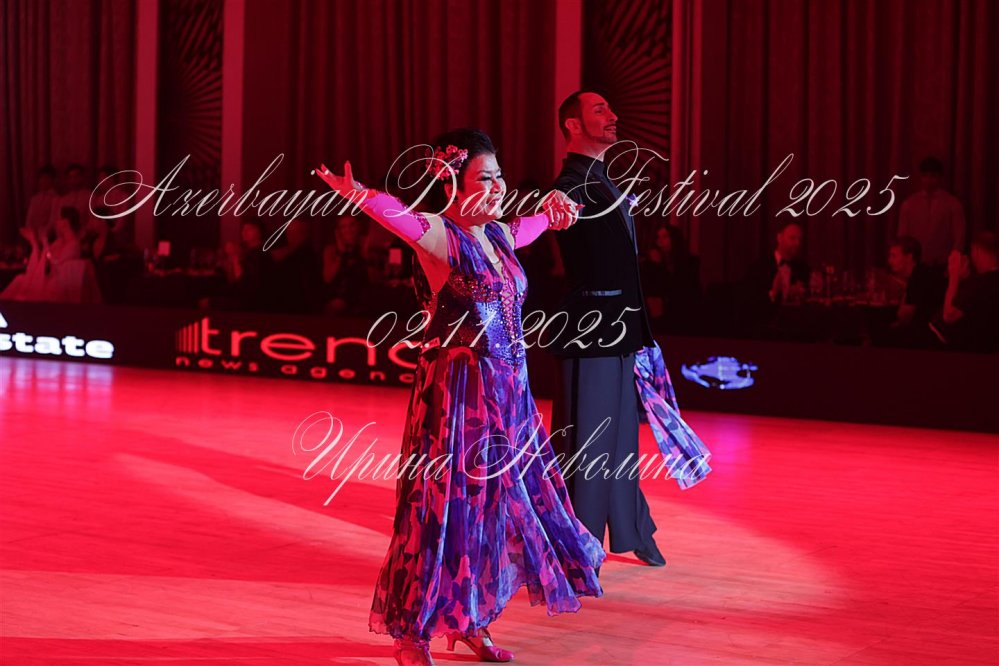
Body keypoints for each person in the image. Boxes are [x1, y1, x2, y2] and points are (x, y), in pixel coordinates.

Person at [315, 128, 603, 666]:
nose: (497, 186)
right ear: (451, 182)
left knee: (494, 512)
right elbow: (397, 217)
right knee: (444, 513)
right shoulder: (441, 238)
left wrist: (556, 209)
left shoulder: (499, 235)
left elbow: (535, 223)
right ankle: (413, 633)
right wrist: (360, 195)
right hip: (457, 397)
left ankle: (471, 619)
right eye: (484, 178)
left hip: (509, 395)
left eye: (499, 176)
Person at [548, 90, 711, 573]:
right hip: (592, 331)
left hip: (621, 331)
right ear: (573, 125)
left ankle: (633, 529)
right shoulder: (569, 187)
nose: (613, 116)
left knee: (619, 443)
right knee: (587, 447)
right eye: (600, 110)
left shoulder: (602, 180)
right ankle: (578, 548)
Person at [930, 231, 999, 352]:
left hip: (948, 345)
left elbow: (949, 316)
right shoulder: (988, 280)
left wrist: (954, 276)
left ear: (976, 251)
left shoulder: (983, 282)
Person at [897, 156, 966, 268]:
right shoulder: (908, 204)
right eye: (925, 176)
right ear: (920, 177)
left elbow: (959, 237)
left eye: (933, 176)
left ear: (940, 177)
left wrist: (953, 262)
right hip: (915, 263)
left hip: (943, 263)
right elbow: (902, 237)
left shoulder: (953, 204)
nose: (929, 180)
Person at [640, 223, 702, 334]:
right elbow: (650, 287)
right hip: (660, 313)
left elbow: (680, 287)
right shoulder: (654, 261)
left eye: (665, 237)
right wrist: (656, 266)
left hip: (684, 309)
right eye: (658, 237)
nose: (660, 241)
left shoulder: (689, 262)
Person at [883, 236, 945, 346]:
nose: (890, 261)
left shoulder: (919, 276)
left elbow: (905, 316)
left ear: (909, 257)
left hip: (932, 334)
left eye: (894, 256)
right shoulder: (920, 273)